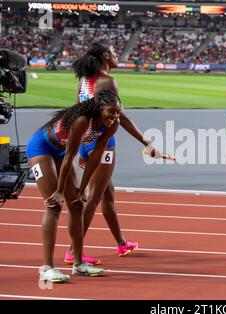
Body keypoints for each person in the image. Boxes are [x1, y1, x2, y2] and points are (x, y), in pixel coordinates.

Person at [64, 42, 161, 264]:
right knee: (94, 196)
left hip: (85, 140)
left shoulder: (84, 80)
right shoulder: (108, 81)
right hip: (102, 141)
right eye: (115, 53)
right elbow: (120, 117)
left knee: (107, 193)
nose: (117, 56)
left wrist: (80, 146)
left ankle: (121, 242)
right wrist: (146, 142)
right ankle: (73, 249)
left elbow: (78, 111)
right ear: (106, 56)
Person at [26, 90, 121, 282]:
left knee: (77, 204)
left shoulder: (112, 125)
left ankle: (79, 265)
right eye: (111, 111)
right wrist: (60, 191)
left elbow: (95, 157)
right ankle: (47, 268)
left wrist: (82, 188)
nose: (115, 116)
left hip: (61, 153)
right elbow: (70, 157)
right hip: (41, 149)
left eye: (118, 112)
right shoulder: (82, 121)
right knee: (54, 205)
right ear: (99, 108)